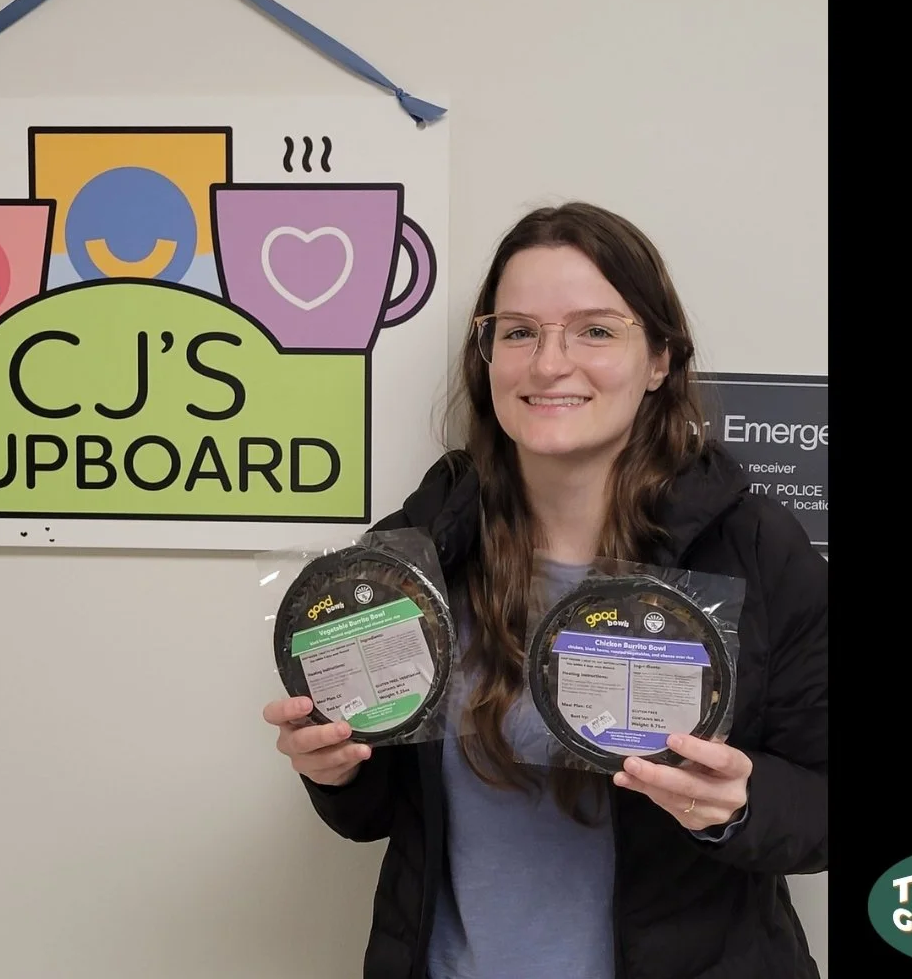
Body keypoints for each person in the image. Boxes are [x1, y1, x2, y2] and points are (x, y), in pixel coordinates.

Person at [261, 202, 827, 979]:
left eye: (596, 330)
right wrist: (336, 770)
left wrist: (739, 805)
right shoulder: (420, 546)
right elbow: (379, 815)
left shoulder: (754, 547)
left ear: (659, 359)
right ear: (487, 356)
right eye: (519, 331)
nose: (549, 364)